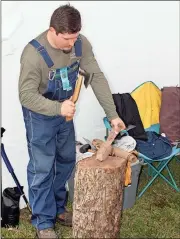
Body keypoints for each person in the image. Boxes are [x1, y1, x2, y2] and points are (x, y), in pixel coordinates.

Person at [18, 4, 126, 239]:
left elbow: (95, 76)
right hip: (40, 115)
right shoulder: (34, 54)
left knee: (66, 160)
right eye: (67, 39)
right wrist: (58, 107)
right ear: (53, 31)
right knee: (42, 167)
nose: (71, 44)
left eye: (75, 37)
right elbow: (25, 96)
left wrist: (112, 114)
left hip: (64, 114)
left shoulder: (80, 43)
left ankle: (57, 209)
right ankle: (42, 222)